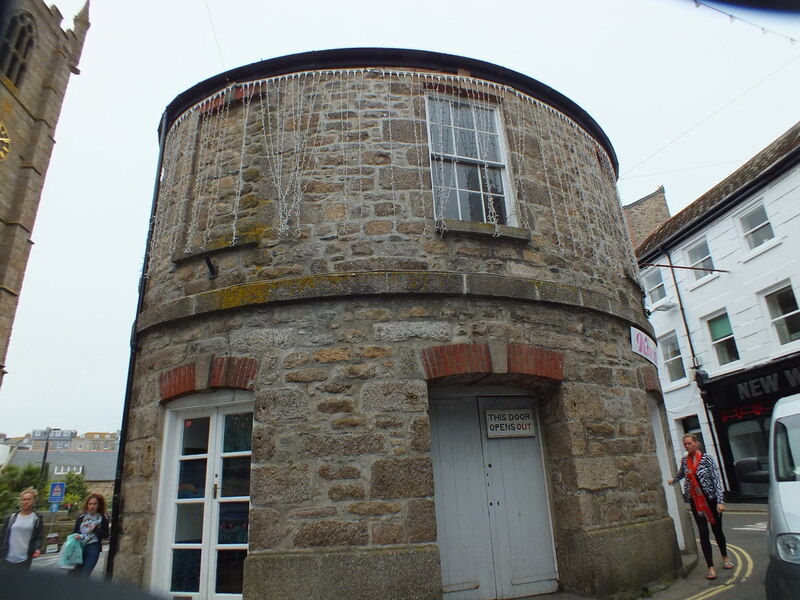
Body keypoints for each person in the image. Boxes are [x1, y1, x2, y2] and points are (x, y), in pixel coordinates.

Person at [668, 433, 734, 580]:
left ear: (697, 444)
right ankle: (710, 567)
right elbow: (681, 474)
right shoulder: (685, 461)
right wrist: (673, 480)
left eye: (690, 443)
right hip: (695, 501)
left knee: (717, 531)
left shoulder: (707, 459)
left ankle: (724, 557)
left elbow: (716, 480)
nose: (687, 446)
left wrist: (720, 501)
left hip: (711, 499)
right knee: (703, 533)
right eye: (685, 444)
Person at [0, 487, 43, 569]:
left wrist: (37, 549)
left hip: (24, 559)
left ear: (34, 501)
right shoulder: (11, 518)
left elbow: (39, 537)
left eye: (29, 499)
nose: (26, 502)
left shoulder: (37, 518)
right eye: (24, 499)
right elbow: (2, 536)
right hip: (6, 558)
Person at [70, 493, 109, 577]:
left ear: (99, 505)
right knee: (74, 574)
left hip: (93, 548)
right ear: (87, 505)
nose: (92, 506)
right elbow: (75, 532)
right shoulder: (81, 517)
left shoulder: (103, 518)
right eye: (90, 504)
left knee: (85, 575)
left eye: (95, 504)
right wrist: (76, 535)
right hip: (80, 547)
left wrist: (95, 529)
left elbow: (106, 535)